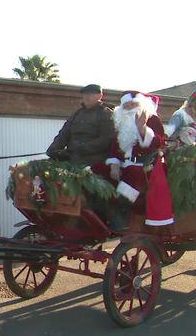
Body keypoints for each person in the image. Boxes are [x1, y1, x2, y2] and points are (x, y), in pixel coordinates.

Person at [105, 91, 166, 230]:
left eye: (133, 104)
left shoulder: (152, 119)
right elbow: (115, 147)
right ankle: (103, 217)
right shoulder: (121, 122)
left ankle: (123, 221)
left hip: (144, 165)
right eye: (126, 105)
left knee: (131, 179)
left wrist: (142, 129)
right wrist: (113, 165)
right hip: (124, 164)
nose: (130, 108)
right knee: (101, 174)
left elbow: (158, 143)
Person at [46, 84, 115, 166]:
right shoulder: (77, 114)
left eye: (91, 94)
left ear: (100, 96)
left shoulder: (106, 113)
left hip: (94, 161)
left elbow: (106, 139)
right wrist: (53, 150)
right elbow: (63, 134)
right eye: (85, 94)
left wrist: (82, 149)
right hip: (72, 159)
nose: (87, 97)